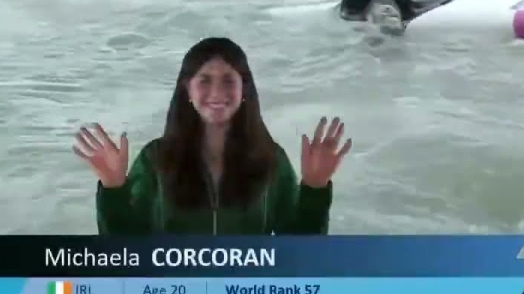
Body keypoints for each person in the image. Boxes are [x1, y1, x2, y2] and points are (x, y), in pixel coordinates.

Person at [73, 37, 353, 234]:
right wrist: (113, 189)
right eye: (205, 80)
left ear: (245, 89)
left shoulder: (270, 160)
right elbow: (125, 254)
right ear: (187, 89)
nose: (217, 93)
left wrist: (314, 189)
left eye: (228, 80)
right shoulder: (155, 159)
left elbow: (299, 255)